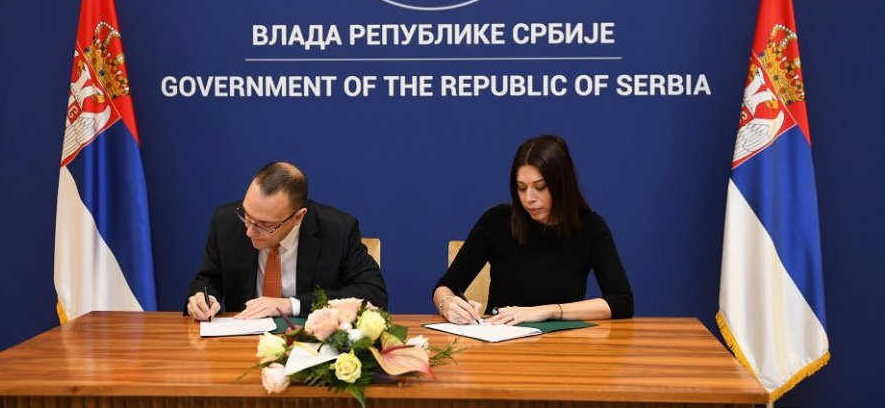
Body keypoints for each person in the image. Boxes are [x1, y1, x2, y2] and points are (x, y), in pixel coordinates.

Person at [433, 135, 633, 325]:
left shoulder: (590, 227)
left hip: (562, 343)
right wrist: (447, 304)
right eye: (521, 187)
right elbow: (444, 287)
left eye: (540, 187)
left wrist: (549, 311)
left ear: (562, 185)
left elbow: (621, 302)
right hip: (500, 341)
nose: (529, 198)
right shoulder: (495, 221)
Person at [186, 162, 387, 321]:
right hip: (242, 340)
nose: (249, 231)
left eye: (265, 224)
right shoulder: (225, 221)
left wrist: (291, 304)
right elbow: (207, 279)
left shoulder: (338, 230)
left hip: (311, 344)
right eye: (246, 215)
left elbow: (373, 294)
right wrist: (203, 298)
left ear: (298, 217)